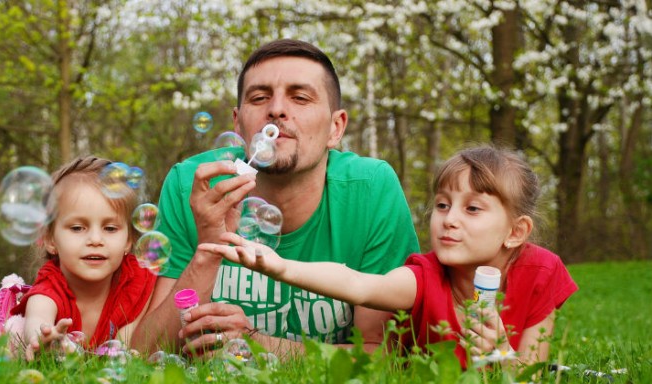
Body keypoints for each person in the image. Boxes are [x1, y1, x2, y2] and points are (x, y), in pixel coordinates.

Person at [130, 39, 419, 356]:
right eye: (259, 97)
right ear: (238, 123)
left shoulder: (370, 189)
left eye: (300, 97)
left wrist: (256, 343)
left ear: (336, 128)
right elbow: (145, 352)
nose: (277, 109)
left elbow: (384, 357)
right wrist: (209, 249)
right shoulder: (194, 184)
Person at [200, 145, 578, 367]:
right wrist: (281, 266)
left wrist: (501, 356)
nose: (449, 220)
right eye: (443, 205)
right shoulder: (425, 277)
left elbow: (529, 381)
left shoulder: (541, 273)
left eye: (473, 209)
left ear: (516, 232)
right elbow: (358, 284)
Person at [0, 156, 160, 360]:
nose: (95, 239)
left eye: (110, 228)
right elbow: (38, 320)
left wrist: (121, 352)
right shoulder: (50, 287)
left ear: (128, 240)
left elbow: (127, 341)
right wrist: (45, 339)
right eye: (77, 228)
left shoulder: (136, 279)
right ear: (50, 239)